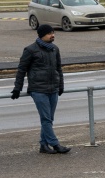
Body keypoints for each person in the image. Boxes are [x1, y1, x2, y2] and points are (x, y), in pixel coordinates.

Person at [11, 24, 71, 154]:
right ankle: (55, 144)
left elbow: (58, 69)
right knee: (46, 119)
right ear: (41, 35)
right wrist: (17, 88)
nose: (53, 35)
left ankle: (43, 145)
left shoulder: (54, 49)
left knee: (49, 119)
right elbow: (21, 70)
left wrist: (61, 86)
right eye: (49, 33)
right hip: (38, 89)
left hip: (53, 89)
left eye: (53, 32)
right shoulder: (30, 50)